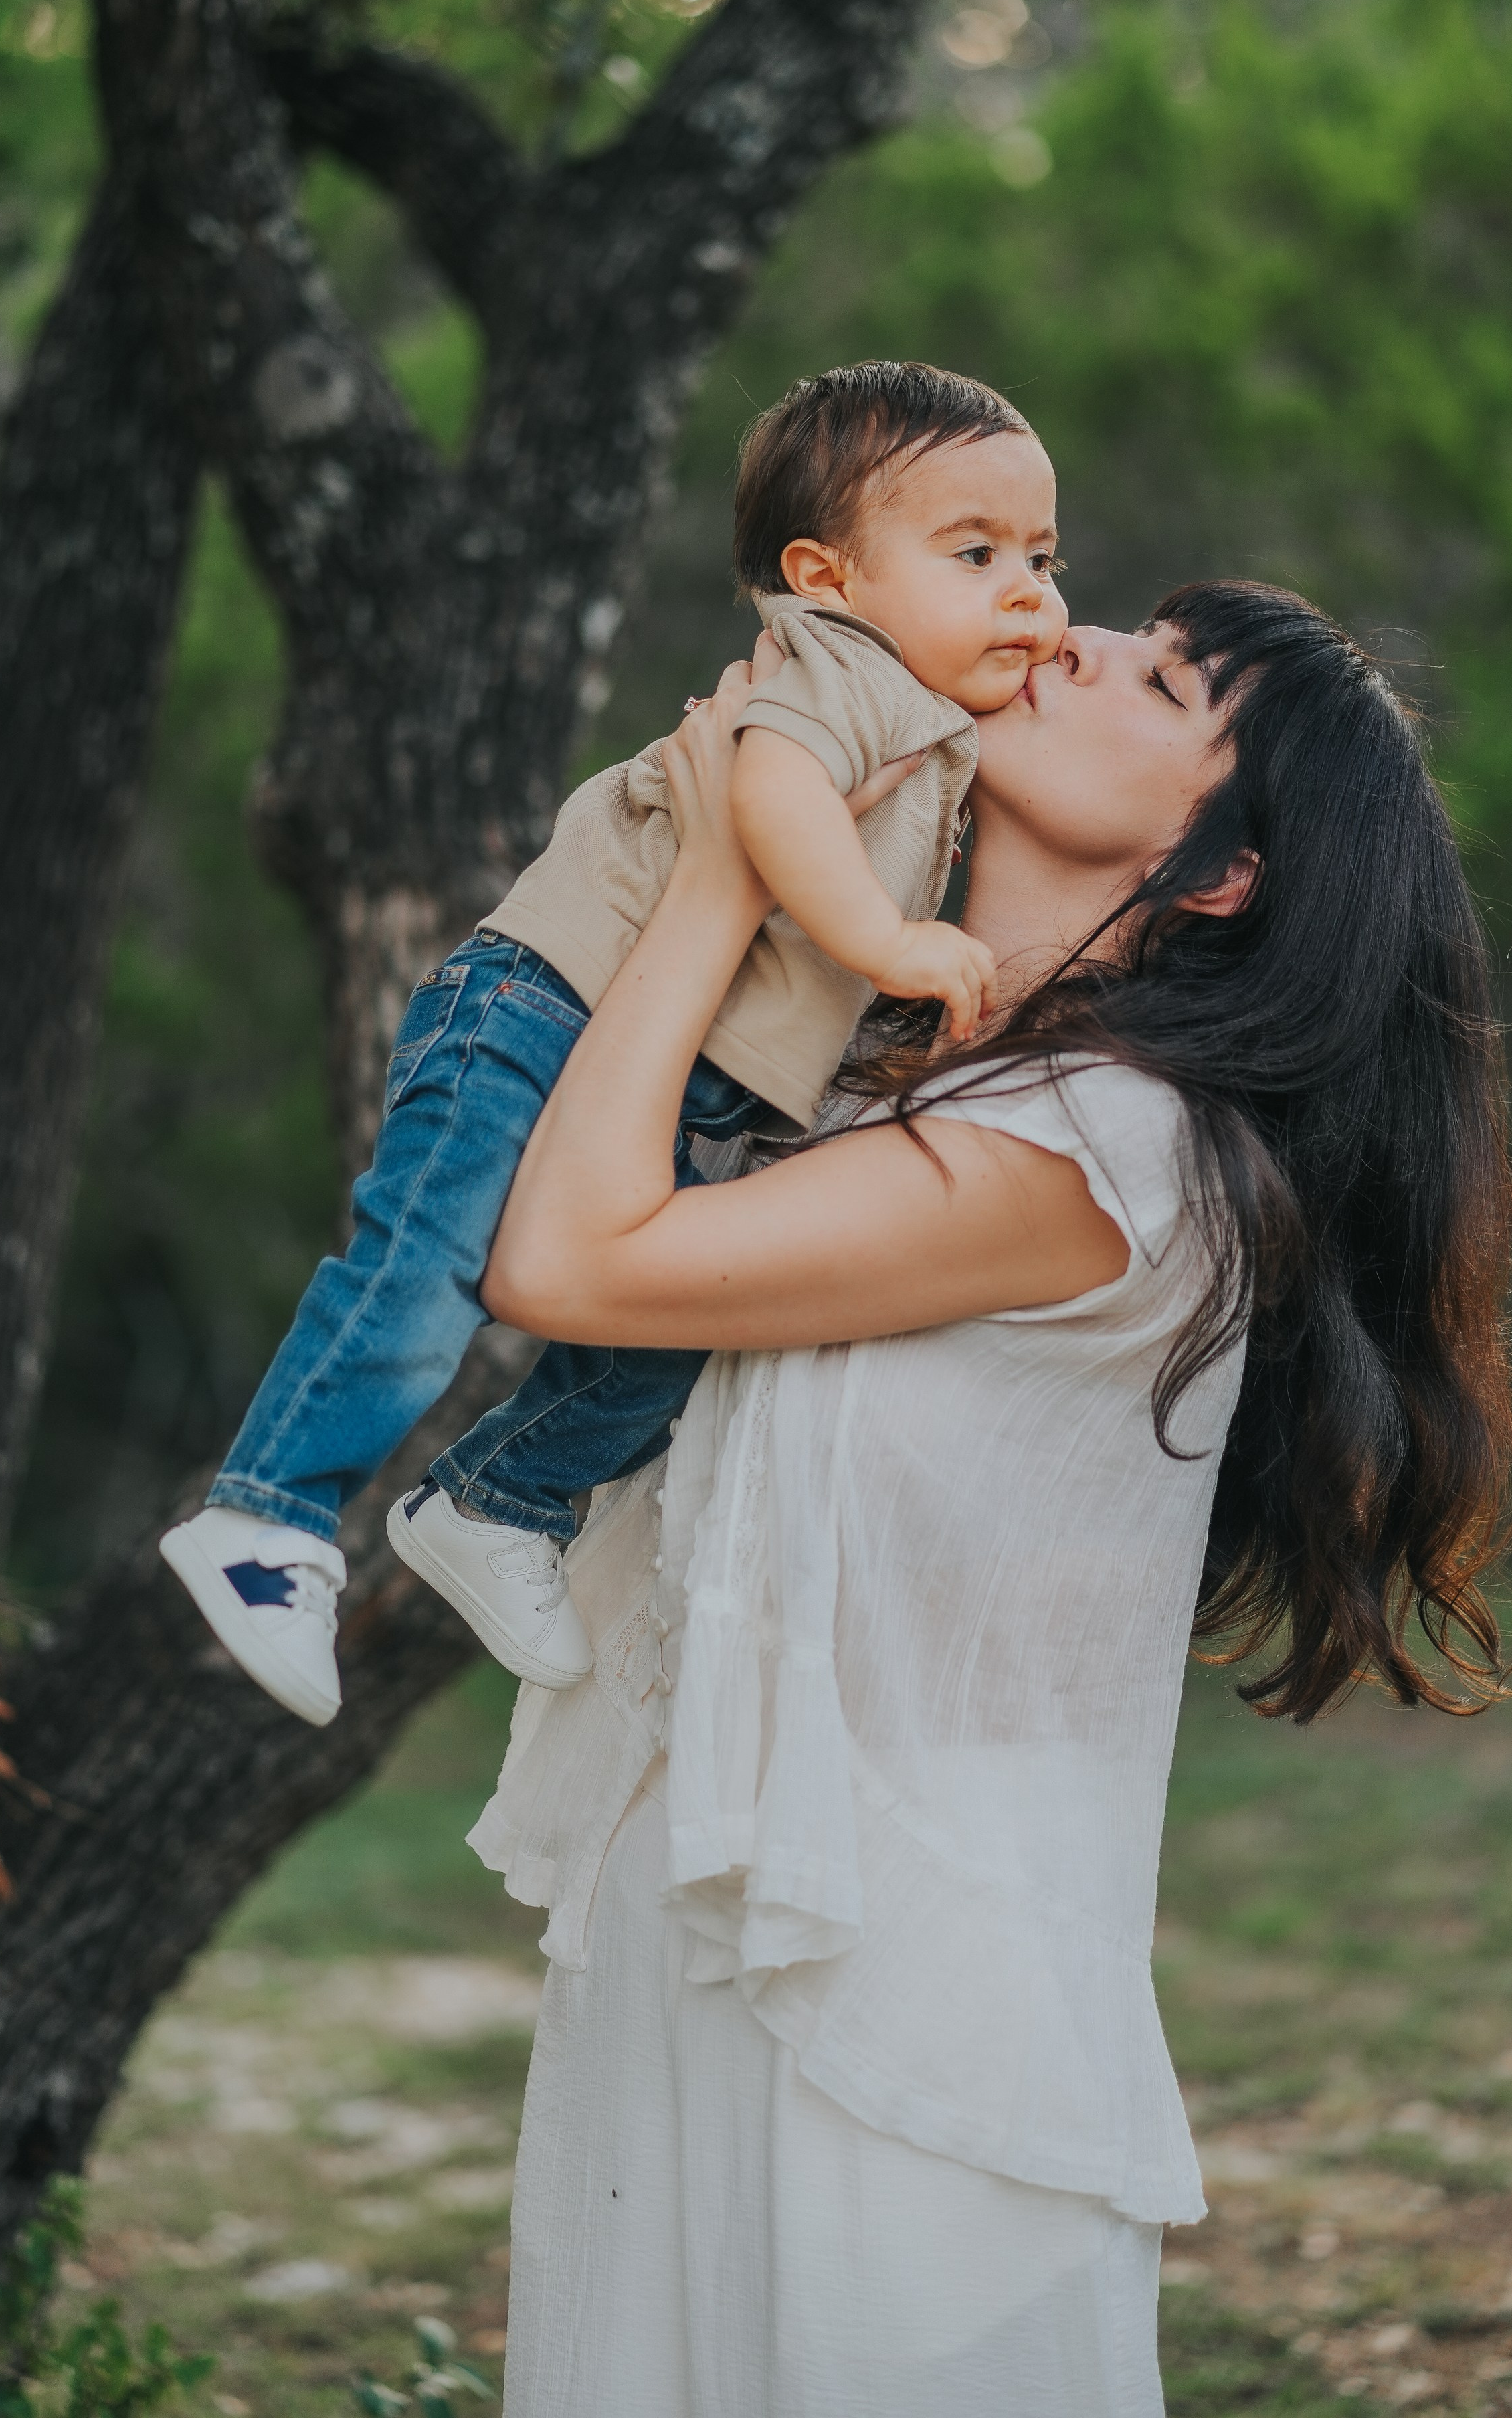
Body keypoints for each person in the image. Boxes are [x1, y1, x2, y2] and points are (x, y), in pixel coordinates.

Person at [471, 582, 1511, 2417]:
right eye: (1125, 626)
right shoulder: (913, 1072)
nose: (1076, 639)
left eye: (1161, 681)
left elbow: (567, 1261)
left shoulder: (1106, 1148)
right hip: (729, 1906)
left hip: (895, 1998)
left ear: (1219, 872)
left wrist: (723, 868)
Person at [157, 362, 1067, 1728]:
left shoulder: (930, 713)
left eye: (1044, 558)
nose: (1028, 594)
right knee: (425, 1259)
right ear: (825, 576)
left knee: (668, 1335)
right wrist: (888, 941)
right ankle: (268, 1512)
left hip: (684, 1070)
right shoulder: (846, 662)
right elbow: (770, 791)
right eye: (976, 553)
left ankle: (498, 1498)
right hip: (546, 998)